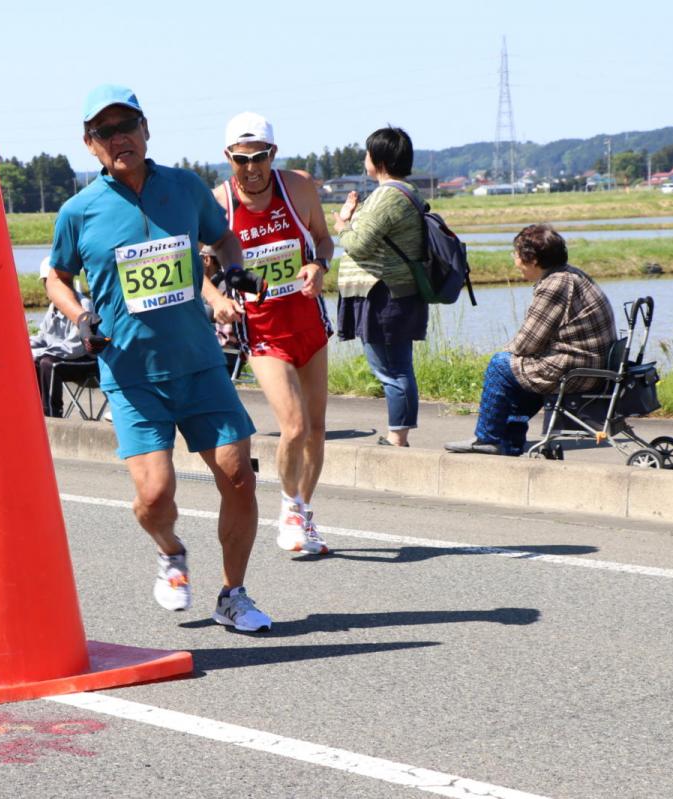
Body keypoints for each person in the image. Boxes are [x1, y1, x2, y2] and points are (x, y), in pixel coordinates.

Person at [47, 84, 271, 632]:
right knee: (153, 495)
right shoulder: (79, 212)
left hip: (199, 362)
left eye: (128, 126)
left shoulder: (186, 187)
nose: (119, 138)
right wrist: (80, 317)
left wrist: (233, 270)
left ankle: (233, 595)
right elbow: (56, 277)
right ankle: (170, 551)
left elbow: (223, 240)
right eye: (105, 131)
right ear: (89, 144)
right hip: (130, 373)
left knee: (238, 475)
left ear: (146, 130)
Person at [213, 112, 335, 555]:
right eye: (242, 159)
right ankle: (288, 506)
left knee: (317, 429)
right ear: (228, 158)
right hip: (262, 333)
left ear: (273, 154)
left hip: (308, 322)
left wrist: (318, 265)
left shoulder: (298, 188)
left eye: (260, 157)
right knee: (295, 425)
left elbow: (323, 239)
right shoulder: (220, 203)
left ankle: (303, 509)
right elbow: (197, 267)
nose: (252, 168)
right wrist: (216, 299)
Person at [446, 225, 616, 455]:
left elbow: (527, 343)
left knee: (500, 365)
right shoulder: (570, 274)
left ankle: (486, 437)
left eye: (516, 255)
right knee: (519, 372)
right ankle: (510, 440)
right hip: (588, 364)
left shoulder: (554, 285)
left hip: (577, 370)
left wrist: (505, 355)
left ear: (532, 259)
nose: (515, 261)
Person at [333, 127, 429, 448]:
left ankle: (397, 438)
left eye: (367, 154)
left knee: (391, 368)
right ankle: (399, 434)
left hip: (384, 293)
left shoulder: (388, 195)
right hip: (395, 291)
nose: (365, 159)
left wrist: (342, 225)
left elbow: (358, 244)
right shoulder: (403, 192)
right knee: (396, 366)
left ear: (380, 159)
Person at [30, 256, 95, 417]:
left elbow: (75, 348)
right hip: (64, 357)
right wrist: (23, 345)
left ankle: (52, 414)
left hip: (88, 361)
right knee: (33, 361)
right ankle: (35, 413)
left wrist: (42, 352)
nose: (48, 285)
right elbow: (44, 336)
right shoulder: (53, 307)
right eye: (46, 281)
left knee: (48, 363)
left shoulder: (83, 305)